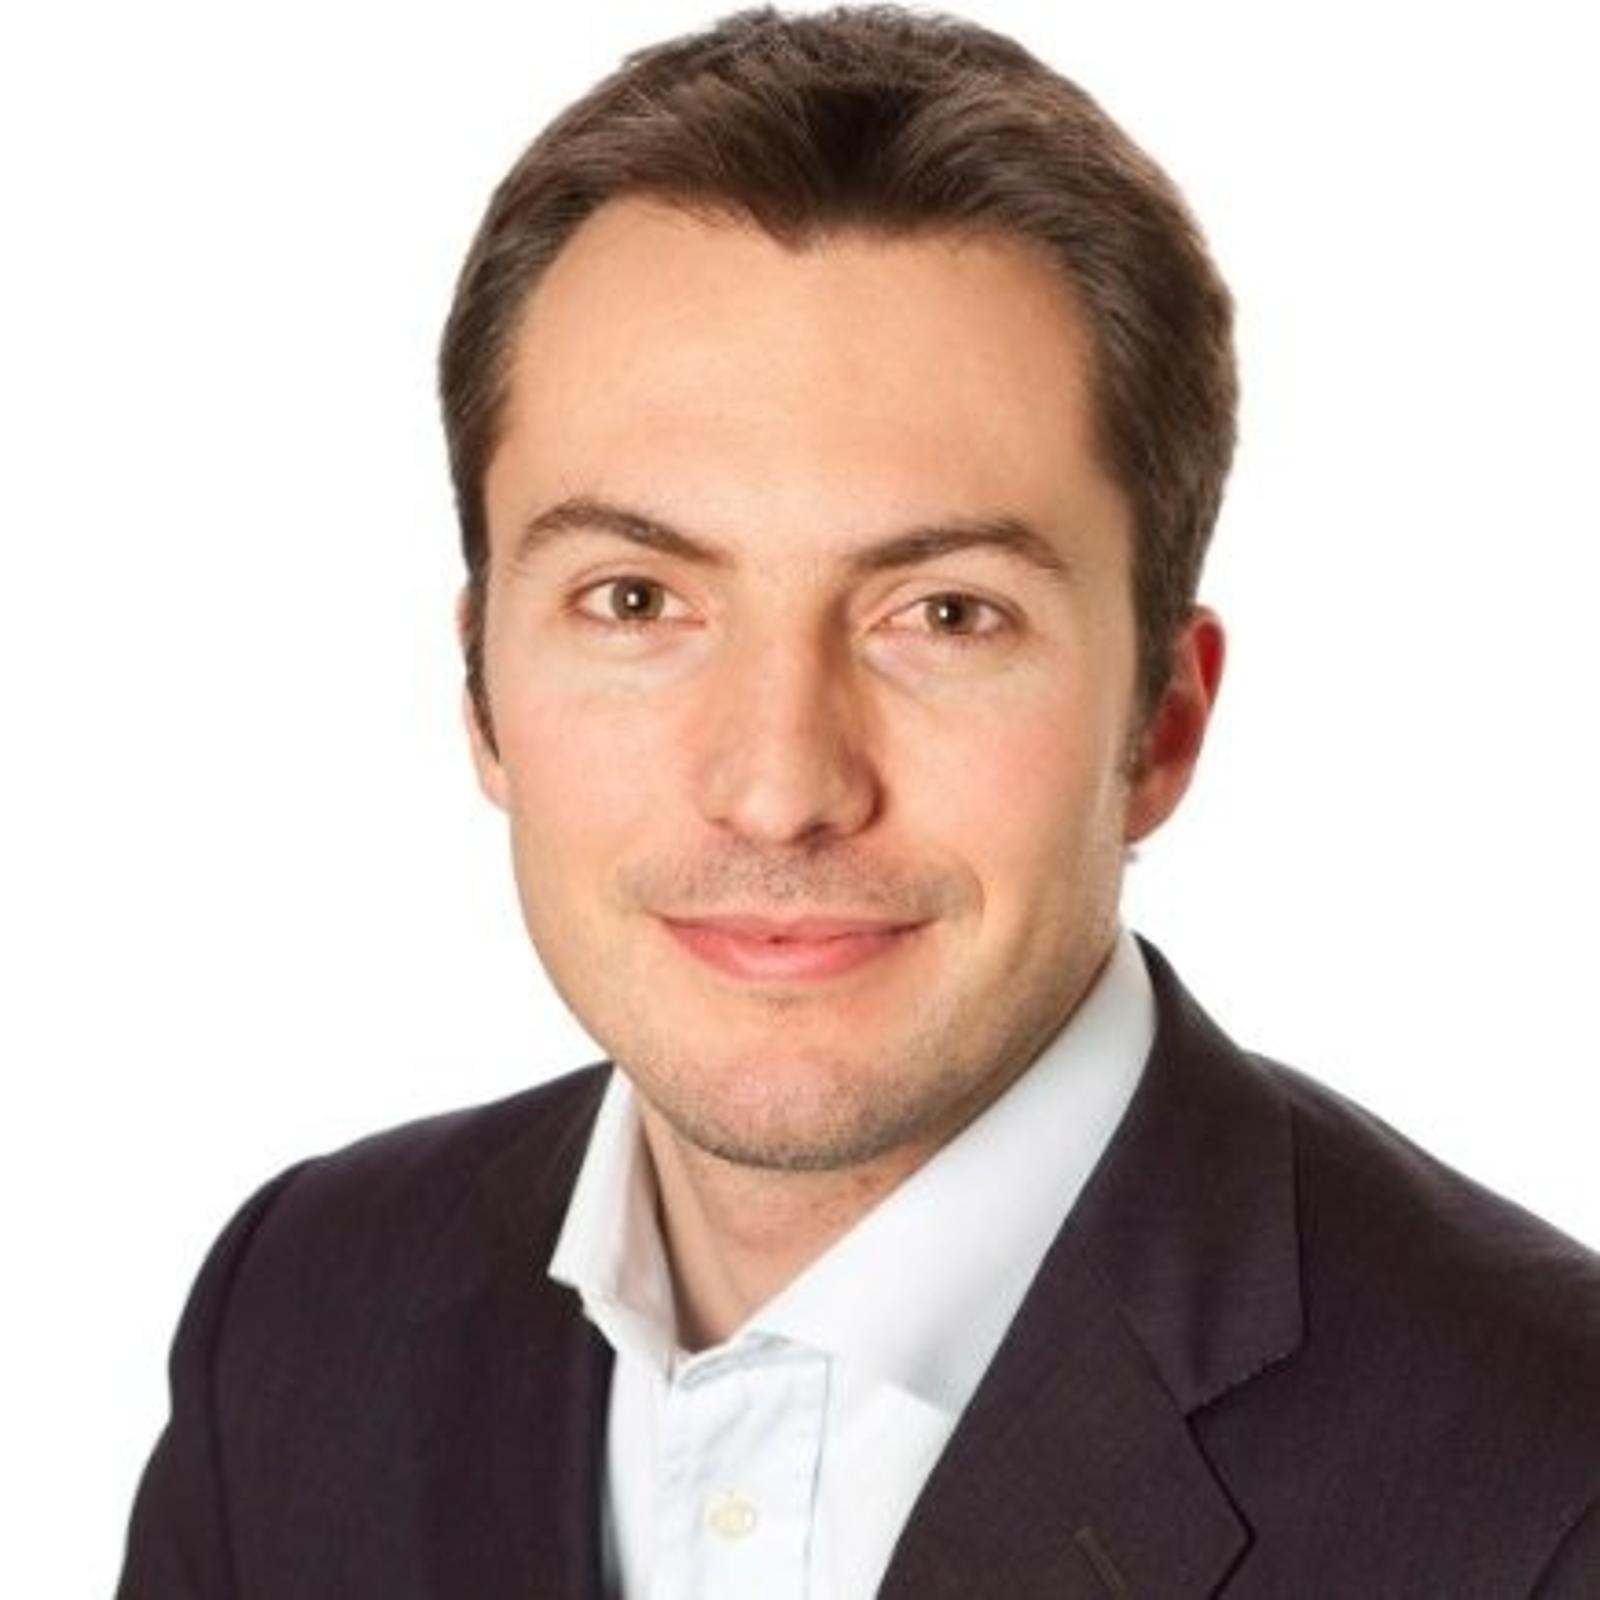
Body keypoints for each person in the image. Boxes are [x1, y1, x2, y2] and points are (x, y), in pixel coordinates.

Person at [118, 7, 1599, 1595]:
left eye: (945, 615)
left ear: (1162, 724)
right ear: (482, 692)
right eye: (636, 601)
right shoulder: (296, 1322)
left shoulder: (1556, 1485)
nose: (778, 789)